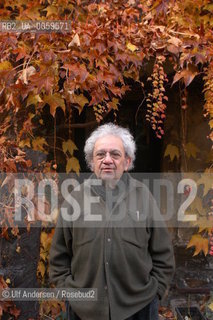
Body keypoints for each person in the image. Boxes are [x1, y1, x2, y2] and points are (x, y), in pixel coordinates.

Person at [49, 123, 175, 320]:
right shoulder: (74, 199)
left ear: (127, 161)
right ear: (92, 161)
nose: (107, 160)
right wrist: (68, 294)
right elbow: (59, 256)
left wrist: (156, 292)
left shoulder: (144, 197)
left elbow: (163, 254)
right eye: (100, 154)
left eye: (115, 154)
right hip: (84, 310)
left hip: (138, 308)